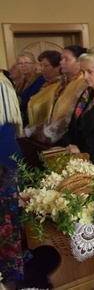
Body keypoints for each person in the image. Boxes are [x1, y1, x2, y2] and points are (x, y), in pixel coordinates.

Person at [0, 71, 30, 288]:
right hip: (7, 157)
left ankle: (11, 269)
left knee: (7, 218)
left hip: (4, 161)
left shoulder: (1, 85)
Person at [23, 45, 87, 145]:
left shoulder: (83, 82)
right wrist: (33, 130)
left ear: (79, 62)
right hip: (54, 138)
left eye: (66, 59)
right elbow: (52, 114)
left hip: (71, 138)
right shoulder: (64, 82)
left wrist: (47, 133)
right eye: (61, 59)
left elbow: (70, 115)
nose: (61, 62)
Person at [25, 50, 62, 129]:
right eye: (41, 65)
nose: (42, 69)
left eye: (46, 66)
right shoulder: (45, 85)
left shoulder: (61, 86)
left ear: (57, 67)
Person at [15, 51, 45, 125]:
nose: (23, 66)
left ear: (34, 64)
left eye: (26, 63)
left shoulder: (41, 80)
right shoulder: (21, 82)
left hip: (35, 121)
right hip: (22, 120)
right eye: (20, 63)